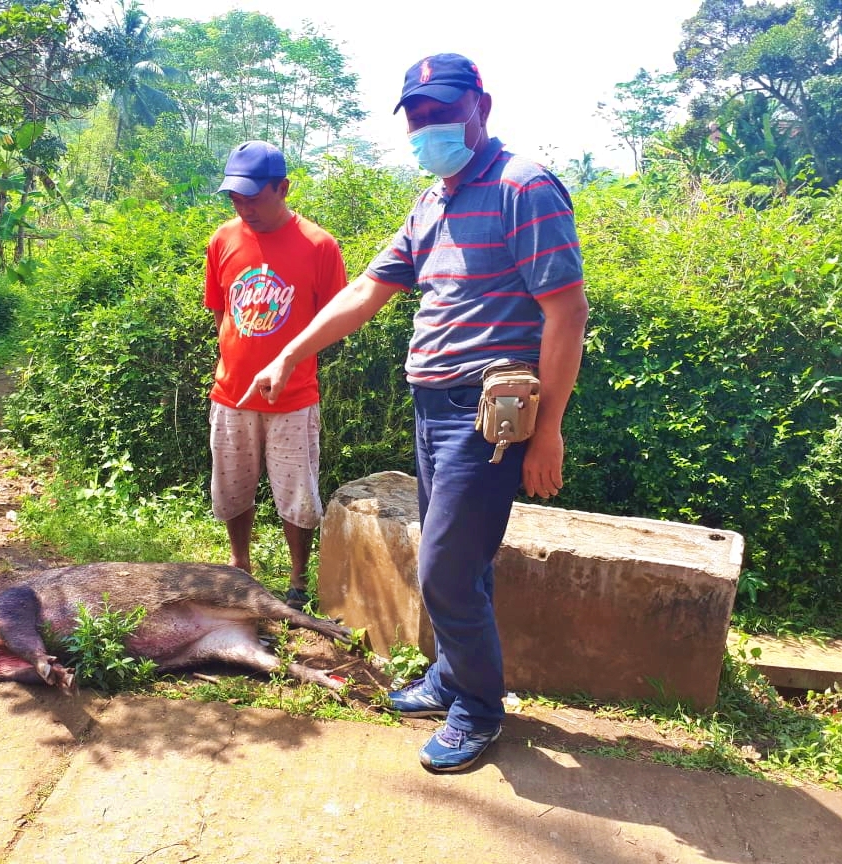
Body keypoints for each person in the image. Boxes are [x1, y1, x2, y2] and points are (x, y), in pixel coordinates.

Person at [238, 54, 589, 773]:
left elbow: (567, 311)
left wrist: (548, 427)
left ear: (480, 107)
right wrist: (290, 353)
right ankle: (452, 680)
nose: (428, 127)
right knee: (460, 562)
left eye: (441, 111)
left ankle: (478, 711)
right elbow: (365, 291)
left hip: (485, 420)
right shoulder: (432, 202)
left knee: (444, 571)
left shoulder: (524, 186)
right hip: (434, 410)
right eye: (417, 117)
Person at [205, 140, 348, 610]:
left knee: (298, 494)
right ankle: (240, 565)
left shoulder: (319, 246)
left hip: (294, 397)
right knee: (232, 486)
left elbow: (334, 321)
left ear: (283, 188)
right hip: (231, 395)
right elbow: (219, 312)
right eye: (235, 199)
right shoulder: (223, 240)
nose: (244, 208)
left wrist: (288, 361)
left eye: (254, 197)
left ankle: (298, 578)